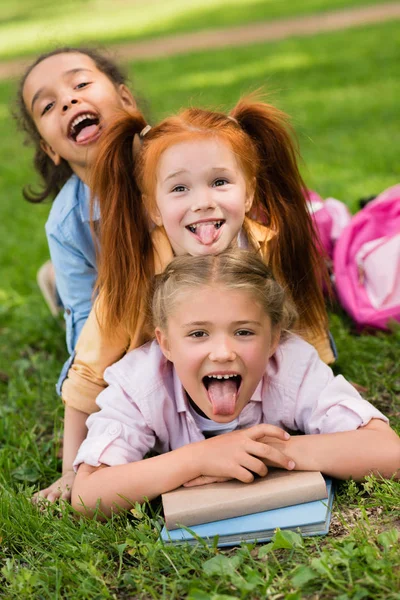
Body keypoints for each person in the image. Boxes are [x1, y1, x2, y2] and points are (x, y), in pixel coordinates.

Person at [40, 97, 338, 502]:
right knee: (89, 331)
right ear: (155, 209)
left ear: (249, 193)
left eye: (220, 182)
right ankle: (59, 286)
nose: (203, 201)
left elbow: (302, 323)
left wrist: (323, 380)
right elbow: (89, 371)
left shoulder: (269, 248)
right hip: (154, 360)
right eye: (180, 188)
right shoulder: (133, 278)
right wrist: (72, 469)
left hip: (224, 353)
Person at [71, 251, 400, 518]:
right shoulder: (139, 384)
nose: (223, 353)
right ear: (166, 344)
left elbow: (389, 453)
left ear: (273, 339)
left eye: (243, 332)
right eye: (198, 334)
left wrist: (268, 452)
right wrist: (199, 458)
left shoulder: (291, 367)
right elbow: (88, 496)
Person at [16, 46, 137, 353]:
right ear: (50, 149)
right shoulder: (66, 226)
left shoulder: (184, 163)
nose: (69, 100)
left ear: (126, 100)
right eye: (47, 106)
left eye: (81, 84)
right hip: (117, 298)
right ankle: (60, 281)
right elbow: (87, 330)